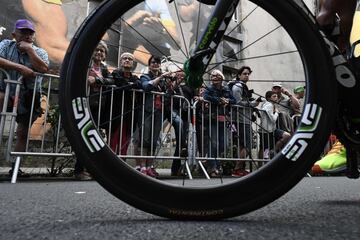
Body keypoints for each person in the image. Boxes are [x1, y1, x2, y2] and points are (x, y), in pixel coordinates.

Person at [0, 19, 49, 175]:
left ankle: (16, 167)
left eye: (30, 33)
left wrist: (30, 51)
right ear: (15, 34)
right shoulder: (6, 45)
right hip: (5, 90)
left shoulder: (39, 52)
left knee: (22, 132)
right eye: (23, 32)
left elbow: (43, 67)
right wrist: (20, 67)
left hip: (28, 95)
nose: (27, 36)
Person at [74, 41, 110, 180]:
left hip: (99, 106)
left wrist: (96, 80)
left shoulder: (105, 69)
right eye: (97, 50)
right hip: (83, 105)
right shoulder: (84, 66)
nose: (99, 53)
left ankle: (89, 169)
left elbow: (110, 81)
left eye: (102, 51)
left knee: (93, 138)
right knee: (83, 137)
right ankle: (79, 170)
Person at [136, 55, 173, 177]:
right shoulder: (145, 76)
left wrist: (175, 82)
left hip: (159, 111)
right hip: (147, 111)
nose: (155, 64)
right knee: (144, 139)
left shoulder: (162, 80)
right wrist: (161, 77)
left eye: (157, 62)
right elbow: (146, 86)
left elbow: (169, 94)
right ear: (149, 64)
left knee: (153, 140)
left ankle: (150, 166)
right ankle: (142, 167)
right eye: (153, 62)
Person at [104, 52, 141, 159]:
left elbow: (138, 84)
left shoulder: (134, 77)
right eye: (125, 58)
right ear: (121, 61)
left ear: (133, 63)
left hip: (129, 114)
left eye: (130, 59)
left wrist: (129, 84)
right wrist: (130, 85)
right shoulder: (116, 73)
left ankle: (122, 164)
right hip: (115, 112)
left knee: (125, 141)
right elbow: (121, 83)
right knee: (112, 140)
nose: (127, 60)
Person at [204, 69, 235, 177]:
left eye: (216, 75)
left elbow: (234, 100)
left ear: (221, 77)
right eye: (212, 76)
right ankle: (213, 167)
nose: (214, 77)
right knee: (214, 143)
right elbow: (206, 97)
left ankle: (214, 163)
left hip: (224, 119)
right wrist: (220, 100)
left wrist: (228, 101)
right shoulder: (209, 88)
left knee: (224, 144)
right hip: (212, 119)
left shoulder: (226, 89)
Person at [230, 66, 261, 177]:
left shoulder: (242, 86)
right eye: (244, 73)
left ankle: (239, 169)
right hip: (240, 119)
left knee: (243, 146)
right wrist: (253, 104)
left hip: (245, 119)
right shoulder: (237, 87)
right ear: (239, 75)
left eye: (248, 74)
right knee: (246, 145)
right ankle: (237, 169)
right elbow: (237, 102)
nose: (247, 75)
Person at [259, 91, 291, 159]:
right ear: (269, 98)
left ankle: (273, 150)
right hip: (266, 130)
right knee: (265, 149)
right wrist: (276, 112)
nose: (276, 98)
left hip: (272, 129)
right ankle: (262, 164)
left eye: (276, 96)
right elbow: (273, 119)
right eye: (274, 96)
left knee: (287, 136)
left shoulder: (270, 104)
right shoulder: (269, 105)